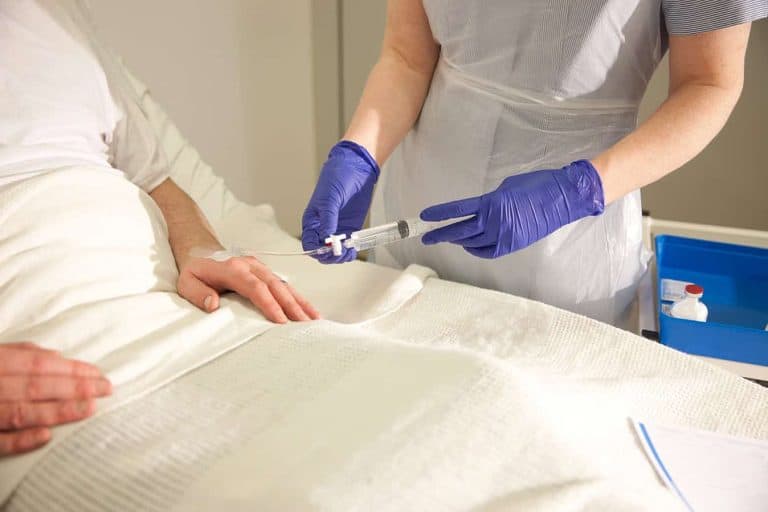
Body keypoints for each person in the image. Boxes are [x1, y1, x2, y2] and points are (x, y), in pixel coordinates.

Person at [302, 1, 766, 326]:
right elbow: (407, 54)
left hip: (568, 235)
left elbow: (709, 85)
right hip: (422, 198)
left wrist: (580, 190)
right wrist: (359, 152)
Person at [0, 0, 318, 457]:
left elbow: (158, 183)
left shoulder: (55, 15)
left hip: (174, 310)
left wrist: (204, 252)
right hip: (52, 340)